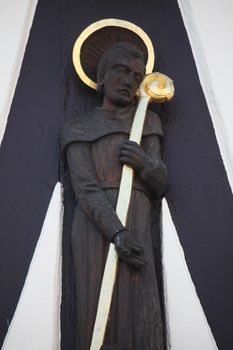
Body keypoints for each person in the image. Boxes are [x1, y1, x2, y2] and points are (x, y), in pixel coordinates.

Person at [61, 43, 167, 350]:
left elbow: (160, 183)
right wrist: (116, 232)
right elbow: (85, 187)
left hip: (138, 217)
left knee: (140, 305)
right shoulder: (77, 127)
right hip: (96, 226)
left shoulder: (146, 121)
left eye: (137, 76)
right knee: (96, 307)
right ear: (102, 77)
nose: (129, 81)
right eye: (121, 71)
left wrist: (145, 164)